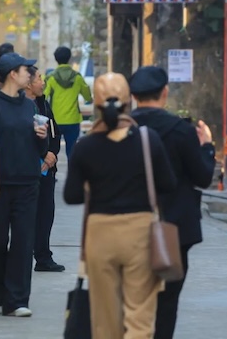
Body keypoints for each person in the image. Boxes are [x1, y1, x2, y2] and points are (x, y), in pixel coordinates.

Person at [64, 72, 177, 338]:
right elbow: (168, 184)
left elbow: (71, 196)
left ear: (97, 106)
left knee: (105, 321)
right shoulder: (148, 140)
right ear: (129, 103)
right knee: (139, 317)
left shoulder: (85, 146)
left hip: (100, 234)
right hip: (140, 233)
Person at [129, 66, 216, 339]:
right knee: (167, 303)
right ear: (164, 93)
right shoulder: (181, 131)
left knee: (133, 300)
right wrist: (207, 147)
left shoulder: (120, 129)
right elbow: (202, 177)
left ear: (133, 95)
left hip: (128, 226)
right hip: (173, 229)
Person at [0, 52, 48, 317]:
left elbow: (38, 145)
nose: (30, 74)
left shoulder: (29, 105)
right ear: (12, 74)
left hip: (28, 182)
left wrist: (41, 137)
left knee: (23, 241)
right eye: (26, 69)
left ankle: (19, 299)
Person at [24, 66, 64, 272]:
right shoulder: (20, 107)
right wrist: (41, 156)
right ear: (28, 83)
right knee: (25, 218)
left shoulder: (43, 104)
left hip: (47, 169)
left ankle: (43, 256)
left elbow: (55, 132)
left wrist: (52, 155)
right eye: (39, 78)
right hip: (27, 170)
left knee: (46, 213)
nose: (42, 82)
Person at [44, 46, 92, 160]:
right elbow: (87, 96)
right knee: (71, 151)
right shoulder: (77, 78)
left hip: (55, 121)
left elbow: (43, 96)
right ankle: (72, 176)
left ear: (56, 59)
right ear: (69, 58)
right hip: (73, 120)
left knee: (52, 150)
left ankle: (52, 175)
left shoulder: (51, 78)